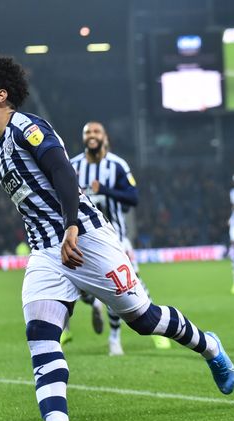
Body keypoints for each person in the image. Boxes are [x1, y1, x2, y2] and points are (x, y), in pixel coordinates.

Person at [0, 52, 234, 421]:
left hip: (87, 238)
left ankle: (210, 346)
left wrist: (71, 225)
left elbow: (61, 170)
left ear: (0, 96)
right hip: (46, 252)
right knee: (41, 336)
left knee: (144, 319)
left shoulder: (27, 127)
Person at [69, 121, 170, 354]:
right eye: (87, 132)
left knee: (129, 286)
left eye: (96, 132)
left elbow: (133, 197)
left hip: (116, 238)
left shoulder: (117, 165)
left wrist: (105, 190)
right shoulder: (72, 165)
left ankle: (117, 337)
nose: (91, 136)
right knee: (80, 288)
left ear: (105, 137)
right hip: (82, 238)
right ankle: (95, 303)